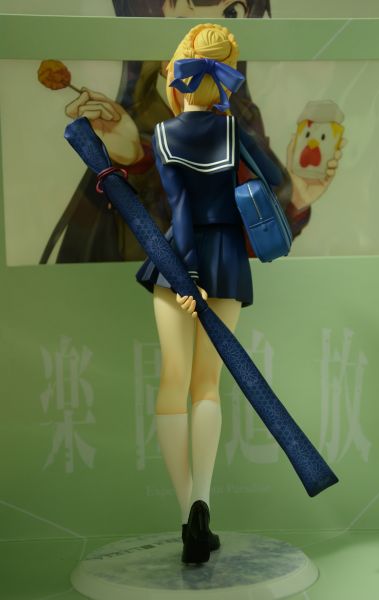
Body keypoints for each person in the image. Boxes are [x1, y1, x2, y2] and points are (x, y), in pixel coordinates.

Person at [134, 22, 284, 564]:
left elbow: (178, 208)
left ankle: (186, 517)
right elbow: (274, 177)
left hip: (177, 258)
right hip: (225, 259)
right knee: (207, 386)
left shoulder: (163, 135)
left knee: (173, 382)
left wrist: (185, 274)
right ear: (222, 78)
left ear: (178, 75)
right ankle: (204, 503)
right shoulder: (232, 132)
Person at [40, 0, 343, 263]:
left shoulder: (240, 117)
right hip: (170, 278)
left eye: (231, 13)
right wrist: (134, 161)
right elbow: (146, 236)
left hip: (225, 269)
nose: (207, 40)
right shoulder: (141, 127)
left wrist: (295, 198)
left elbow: (259, 220)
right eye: (184, 19)